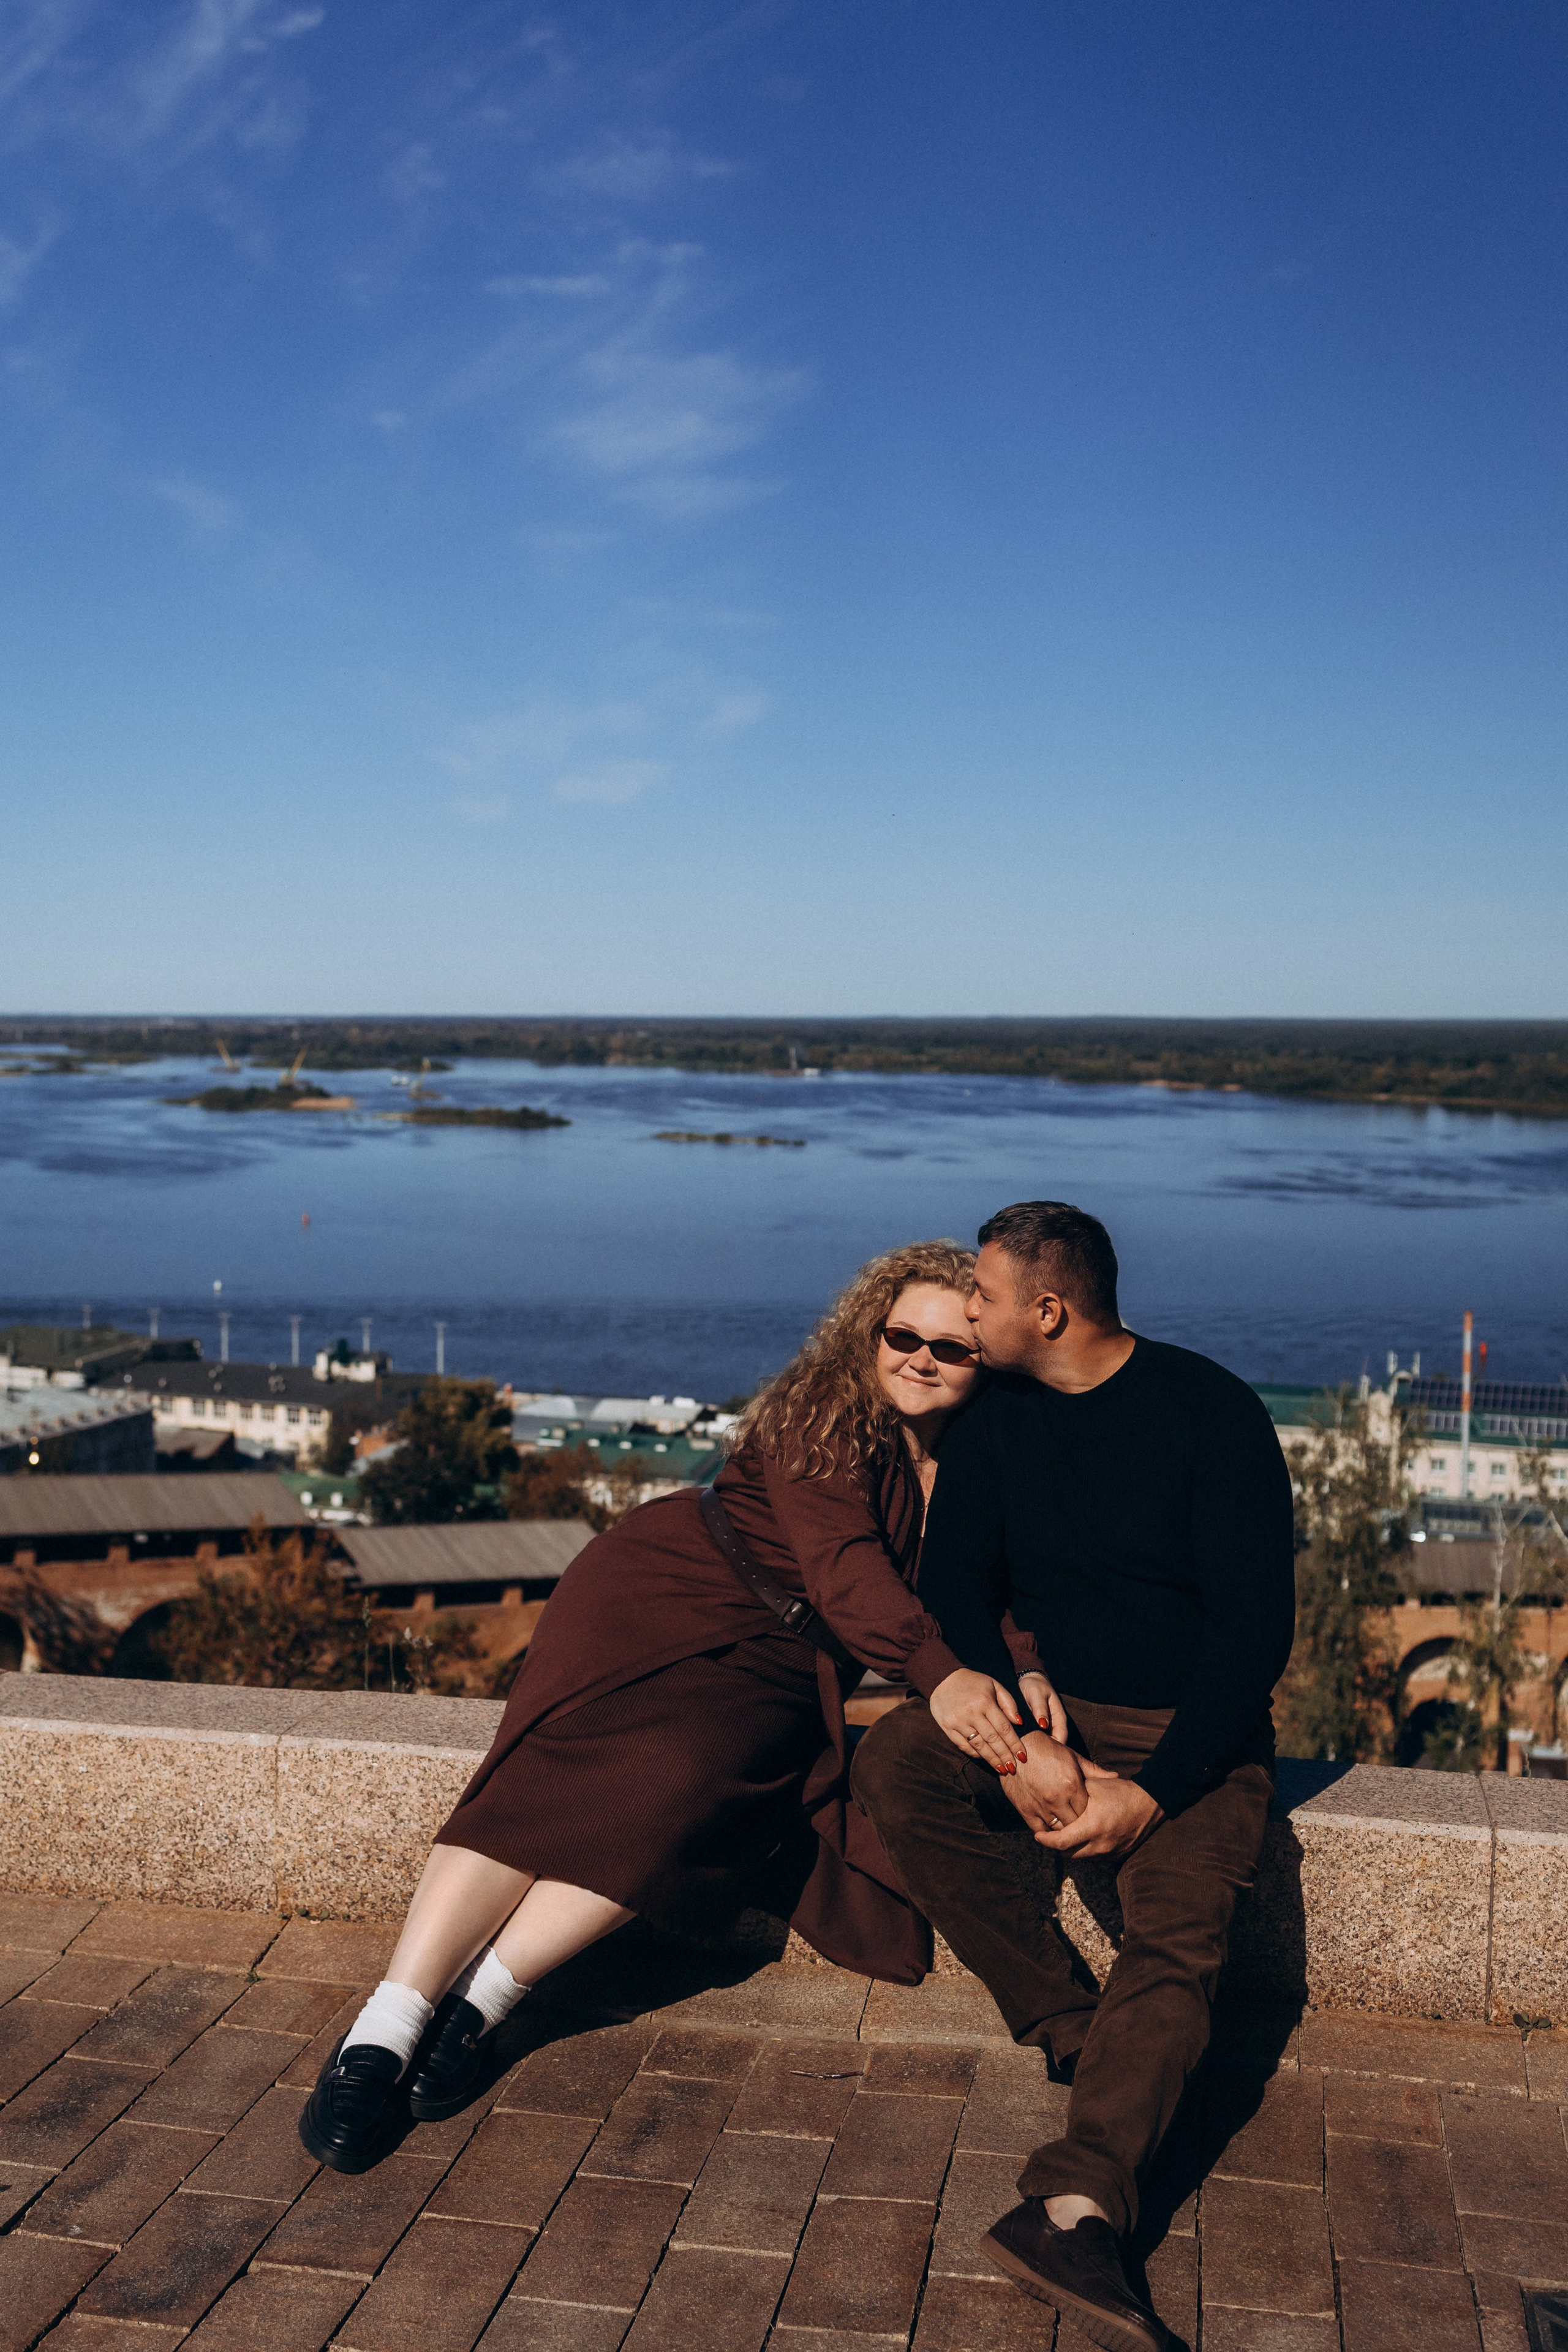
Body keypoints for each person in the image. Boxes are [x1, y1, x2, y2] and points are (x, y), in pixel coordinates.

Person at [301, 1239, 1057, 2174]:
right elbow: (846, 1572)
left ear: (989, 1359)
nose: (921, 1359)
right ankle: (385, 2026)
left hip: (786, 1662)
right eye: (903, 1335)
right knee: (550, 1774)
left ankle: (483, 2002)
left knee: (684, 1787)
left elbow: (1003, 1581)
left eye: (953, 1348)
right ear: (870, 1332)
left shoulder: (984, 1455)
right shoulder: (823, 1410)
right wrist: (939, 1674)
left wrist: (1020, 1666)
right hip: (665, 1593)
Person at [851, 1201, 1295, 2352]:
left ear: (1047, 1310)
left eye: (985, 1299)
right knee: (897, 1762)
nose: (970, 1312)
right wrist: (1023, 1728)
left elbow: (1253, 1634)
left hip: (1192, 1733)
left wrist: (1155, 1791)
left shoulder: (1213, 1413)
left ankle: (1077, 2206)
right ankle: (1069, 2026)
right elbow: (956, 1587)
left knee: (1180, 1935)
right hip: (1056, 1718)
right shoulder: (998, 1419)